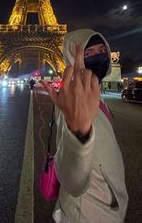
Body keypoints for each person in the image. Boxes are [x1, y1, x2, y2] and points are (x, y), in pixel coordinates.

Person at [43, 29, 128, 223]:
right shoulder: (73, 101)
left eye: (102, 50)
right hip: (87, 214)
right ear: (73, 58)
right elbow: (73, 182)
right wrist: (78, 133)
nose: (98, 57)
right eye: (87, 54)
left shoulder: (94, 94)